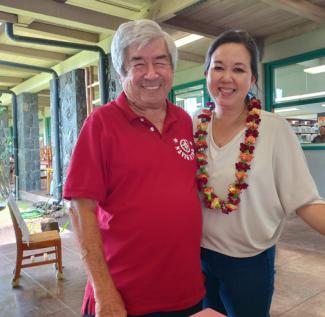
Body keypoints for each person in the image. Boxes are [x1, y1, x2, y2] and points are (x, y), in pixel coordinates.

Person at [64, 20, 204, 317]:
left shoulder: (184, 121)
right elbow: (80, 209)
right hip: (126, 298)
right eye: (138, 64)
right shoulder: (101, 124)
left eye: (160, 62)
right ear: (121, 73)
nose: (151, 74)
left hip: (187, 292)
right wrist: (104, 293)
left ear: (172, 68)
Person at [193, 30, 325, 317]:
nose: (227, 77)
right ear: (206, 73)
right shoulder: (191, 127)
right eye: (218, 67)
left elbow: (305, 200)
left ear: (252, 79)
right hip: (196, 258)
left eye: (238, 69)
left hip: (248, 264)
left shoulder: (274, 129)